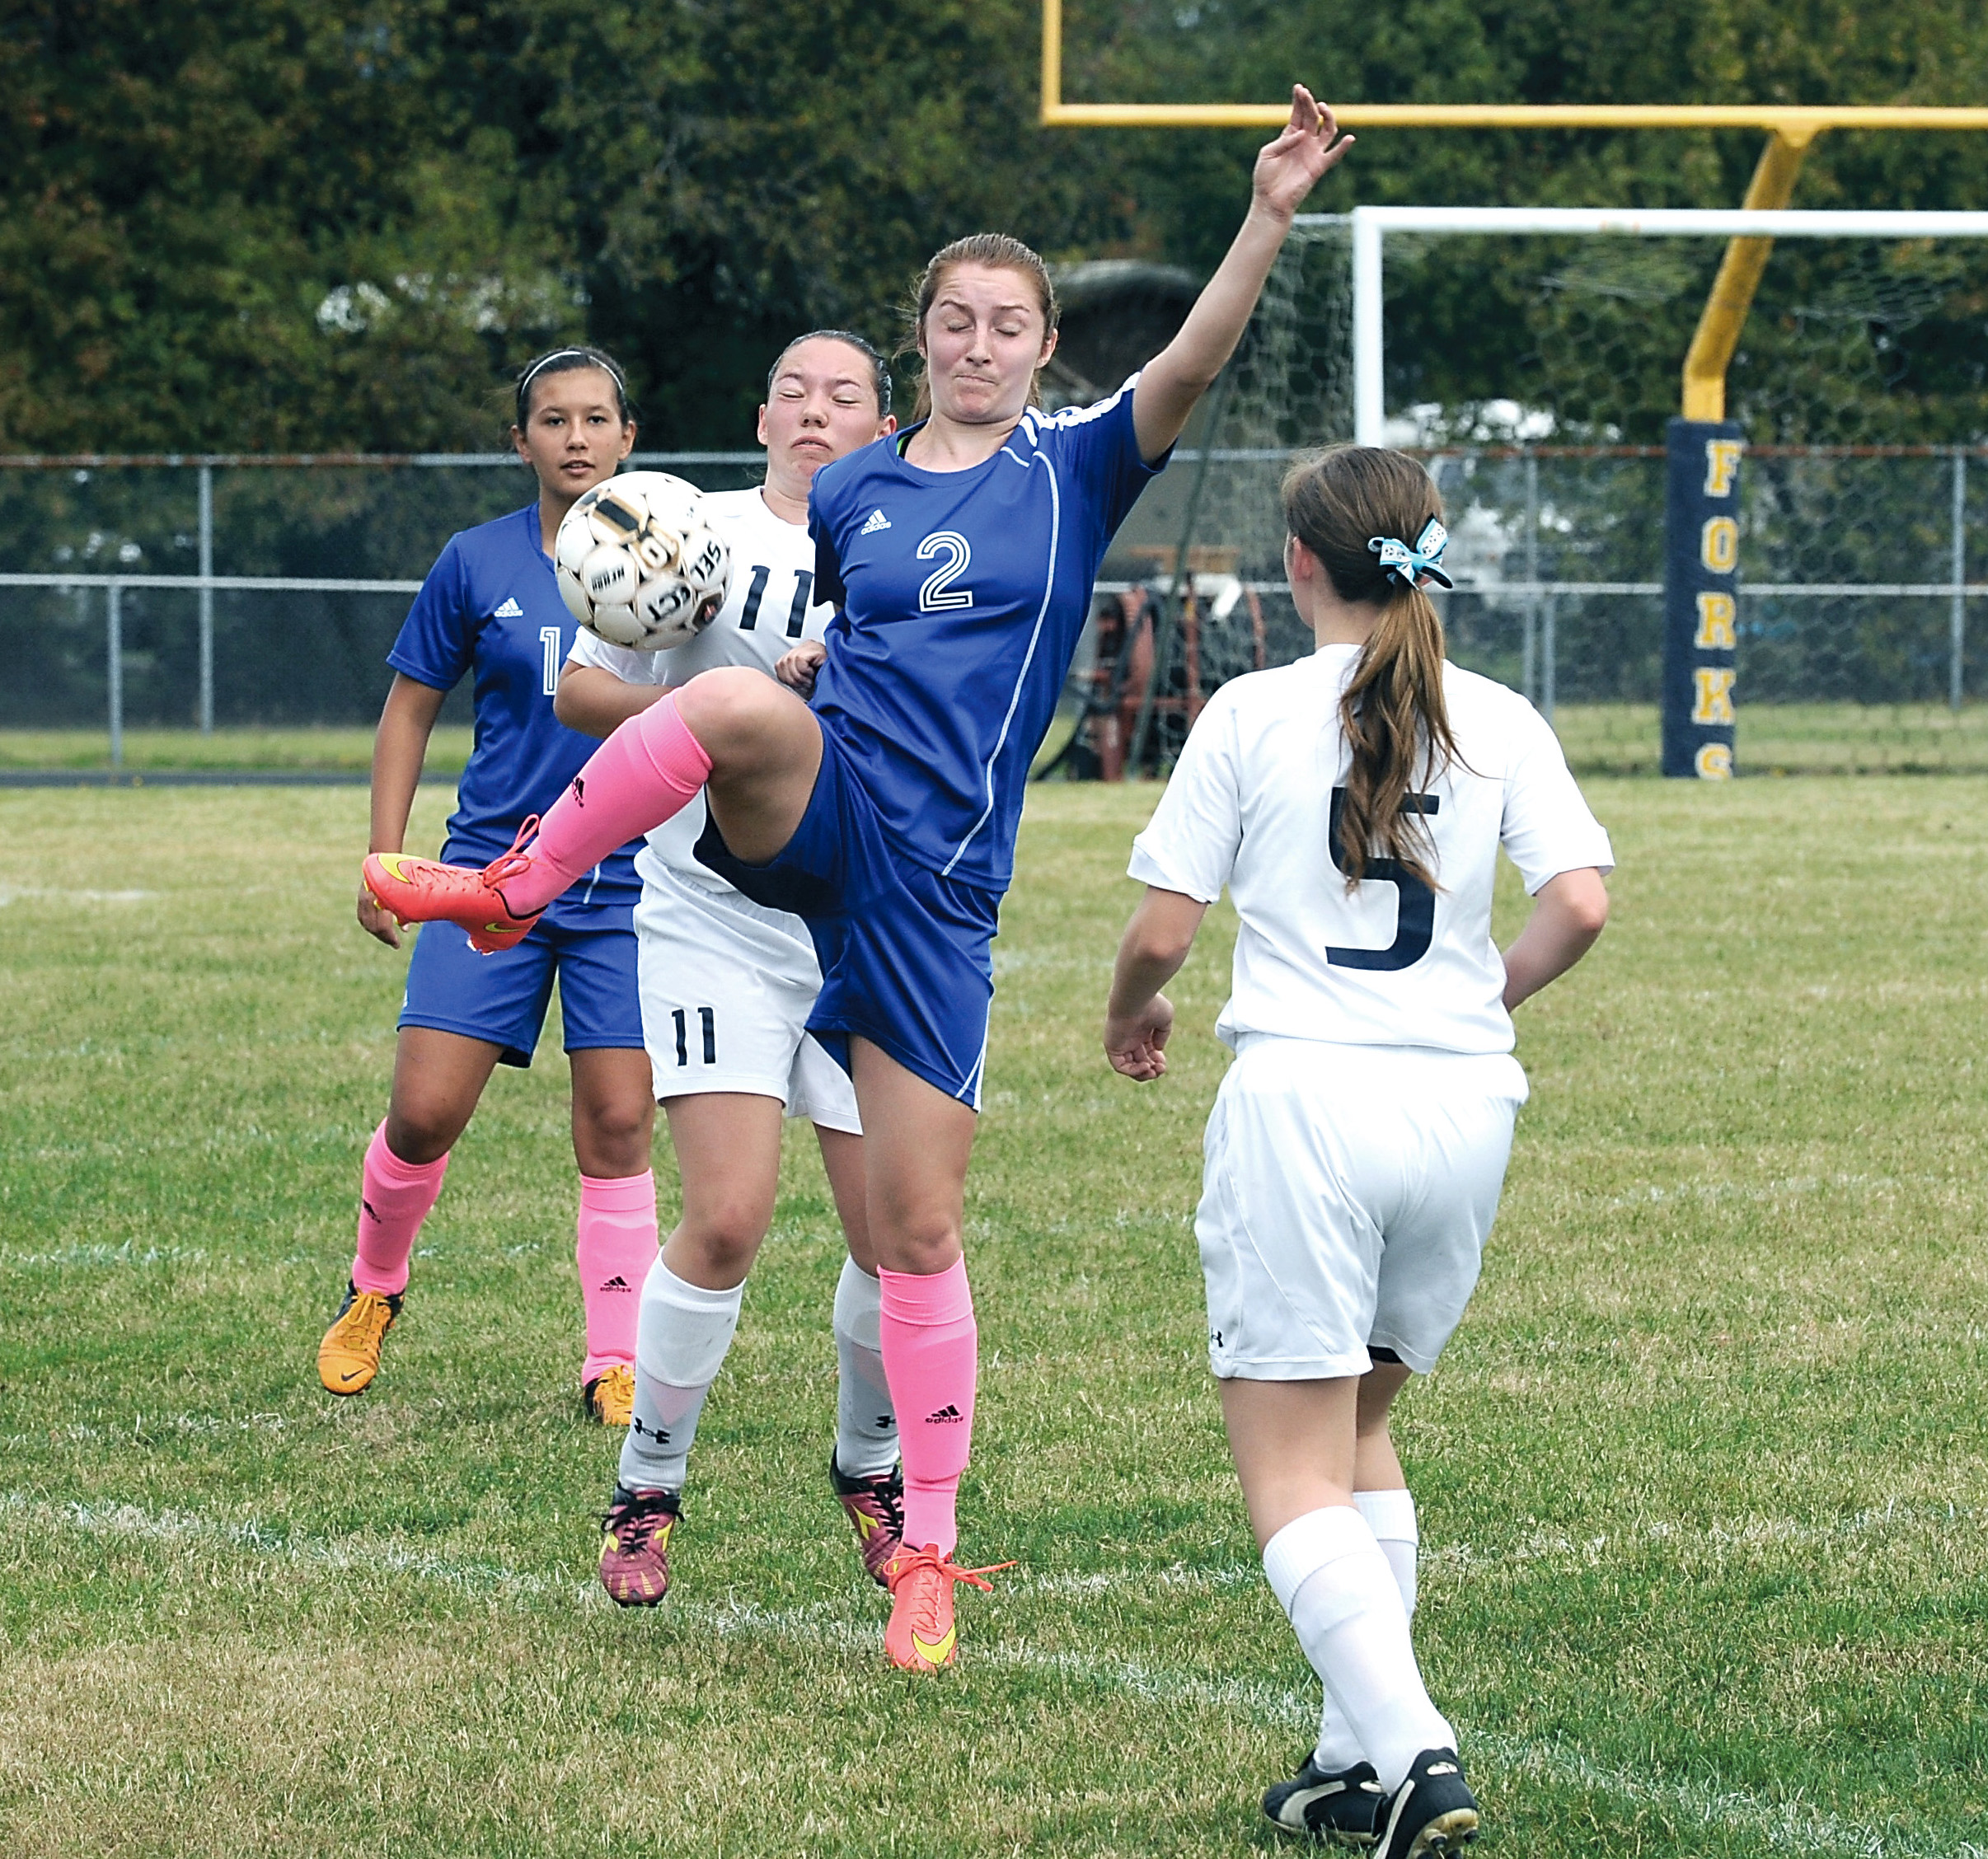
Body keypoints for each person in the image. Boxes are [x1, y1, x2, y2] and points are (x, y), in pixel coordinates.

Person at [359, 87, 1353, 1671]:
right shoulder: (859, 487)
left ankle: (924, 1552)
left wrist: (1270, 211)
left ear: (1040, 348)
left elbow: (1200, 354)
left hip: (943, 894)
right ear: (927, 337)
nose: (979, 343)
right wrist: (813, 658)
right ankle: (514, 886)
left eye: (1007, 323)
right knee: (743, 702)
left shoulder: (1078, 469)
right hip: (828, 816)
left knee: (917, 1229)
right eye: (954, 320)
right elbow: (834, 649)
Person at [1101, 447, 1612, 1856]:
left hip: (1308, 1107)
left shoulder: (1255, 711)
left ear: (1300, 567)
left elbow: (1159, 932)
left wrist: (1131, 1009)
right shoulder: (1498, 711)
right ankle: (1351, 1762)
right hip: (1462, 1112)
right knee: (1361, 1426)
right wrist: (1478, 998)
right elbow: (1579, 902)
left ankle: (1418, 1755)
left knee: (1290, 1471)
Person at [551, 330, 903, 1606]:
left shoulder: (912, 548)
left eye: (845, 395)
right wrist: (717, 725)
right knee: (729, 1215)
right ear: (761, 417)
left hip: (865, 923)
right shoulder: (685, 531)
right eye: (795, 392)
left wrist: (838, 681)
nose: (817, 411)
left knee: (888, 1237)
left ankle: (870, 1470)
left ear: (885, 421)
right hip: (712, 918)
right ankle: (647, 1486)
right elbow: (580, 690)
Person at [322, 347, 659, 1426]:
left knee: (617, 1122)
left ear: (627, 438)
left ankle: (616, 1360)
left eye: (595, 418)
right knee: (423, 1114)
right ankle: (374, 1289)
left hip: (629, 889)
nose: (575, 436)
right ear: (521, 444)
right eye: (552, 420)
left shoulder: (678, 564)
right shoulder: (475, 561)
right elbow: (409, 709)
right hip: (487, 882)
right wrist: (387, 857)